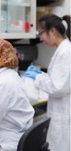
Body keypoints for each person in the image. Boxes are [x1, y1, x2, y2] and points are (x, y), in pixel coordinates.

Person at [23, 14, 71, 151]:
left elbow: (59, 87)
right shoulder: (62, 50)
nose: (40, 37)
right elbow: (58, 80)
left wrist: (36, 78)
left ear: (53, 31)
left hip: (63, 118)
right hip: (60, 114)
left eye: (41, 33)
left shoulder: (66, 52)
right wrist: (41, 75)